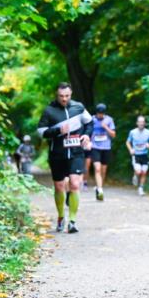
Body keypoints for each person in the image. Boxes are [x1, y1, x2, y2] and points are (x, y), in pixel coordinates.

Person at [37, 82, 93, 233]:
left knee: (75, 184)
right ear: (57, 95)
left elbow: (90, 123)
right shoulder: (49, 111)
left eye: (67, 96)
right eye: (61, 96)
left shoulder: (79, 107)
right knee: (59, 187)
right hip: (57, 154)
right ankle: (61, 216)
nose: (64, 99)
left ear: (71, 94)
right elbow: (41, 132)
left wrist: (87, 135)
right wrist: (57, 130)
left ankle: (73, 221)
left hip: (76, 152)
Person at [88, 103, 116, 201]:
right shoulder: (92, 119)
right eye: (99, 113)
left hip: (106, 148)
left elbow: (113, 135)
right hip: (95, 147)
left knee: (103, 170)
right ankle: (100, 190)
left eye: (102, 114)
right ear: (97, 112)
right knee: (98, 169)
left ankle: (99, 186)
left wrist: (106, 127)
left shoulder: (109, 120)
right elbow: (88, 131)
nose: (100, 115)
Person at [126, 115, 149, 196]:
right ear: (137, 123)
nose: (141, 123)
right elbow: (128, 142)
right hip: (136, 155)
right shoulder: (132, 132)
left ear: (145, 123)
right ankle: (135, 175)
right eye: (140, 122)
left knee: (144, 172)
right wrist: (130, 149)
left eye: (143, 122)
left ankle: (141, 188)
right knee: (139, 171)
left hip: (145, 155)